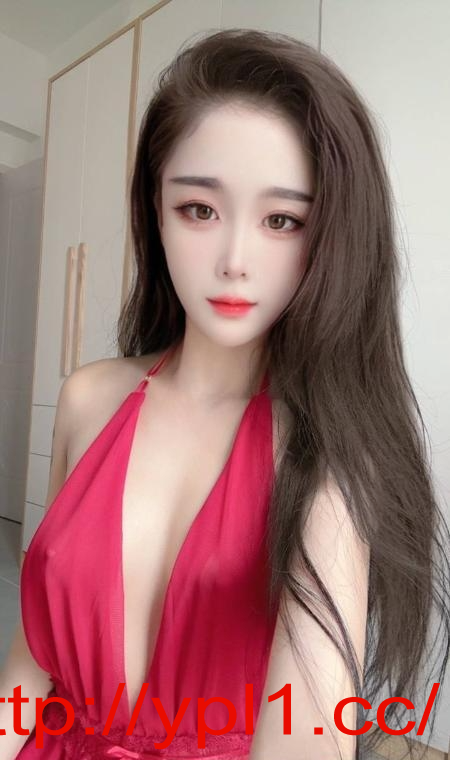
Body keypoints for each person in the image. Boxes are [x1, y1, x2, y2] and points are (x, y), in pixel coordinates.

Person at [1, 27, 449, 760]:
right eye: (199, 210)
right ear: (155, 210)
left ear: (330, 237)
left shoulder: (328, 459)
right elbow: (33, 656)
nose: (235, 261)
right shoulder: (87, 400)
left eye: (282, 221)